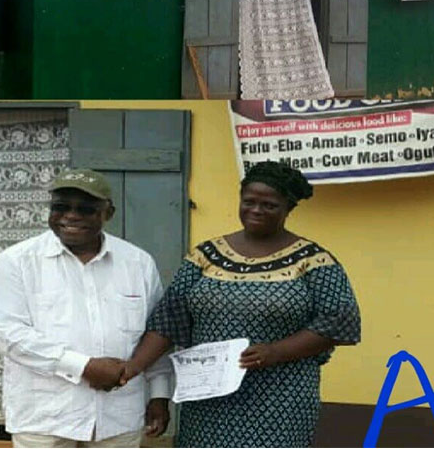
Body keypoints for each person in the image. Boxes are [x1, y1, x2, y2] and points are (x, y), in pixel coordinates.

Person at [121, 160, 361, 448]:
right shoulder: (205, 256)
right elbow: (168, 320)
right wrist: (132, 368)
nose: (256, 210)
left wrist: (275, 351)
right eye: (249, 201)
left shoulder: (313, 260)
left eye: (269, 205)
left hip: (280, 400)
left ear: (288, 209)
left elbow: (340, 323)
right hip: (207, 400)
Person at [0, 169, 173, 448]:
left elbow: (156, 332)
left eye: (86, 209)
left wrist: (159, 395)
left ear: (108, 212)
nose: (71, 216)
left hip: (117, 415)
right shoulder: (17, 261)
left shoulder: (137, 263)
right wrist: (84, 366)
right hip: (46, 416)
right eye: (60, 207)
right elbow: (9, 335)